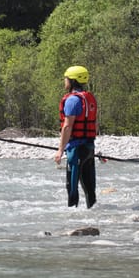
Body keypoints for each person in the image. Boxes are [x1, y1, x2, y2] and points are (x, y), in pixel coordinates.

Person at [54, 65, 98, 208]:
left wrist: (60, 150)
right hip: (89, 148)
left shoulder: (72, 100)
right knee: (89, 186)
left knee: (72, 186)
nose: (64, 81)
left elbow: (67, 126)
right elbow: (94, 125)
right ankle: (92, 211)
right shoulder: (89, 98)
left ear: (72, 80)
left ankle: (73, 214)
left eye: (66, 78)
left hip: (76, 149)